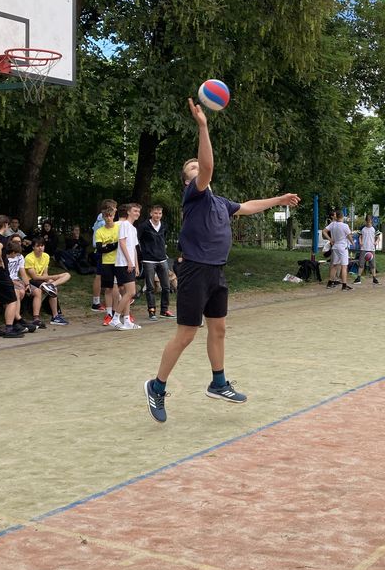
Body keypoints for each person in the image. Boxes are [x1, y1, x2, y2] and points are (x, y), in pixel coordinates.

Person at [143, 97, 300, 423]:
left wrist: (279, 200)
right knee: (186, 334)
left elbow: (249, 206)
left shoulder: (220, 202)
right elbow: (208, 167)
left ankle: (218, 383)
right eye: (192, 169)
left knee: (219, 329)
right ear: (187, 181)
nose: (198, 169)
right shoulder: (194, 195)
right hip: (195, 270)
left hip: (216, 272)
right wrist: (203, 126)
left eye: (197, 166)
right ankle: (156, 386)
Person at [24, 236, 71, 325]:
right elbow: (34, 277)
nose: (40, 248)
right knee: (47, 290)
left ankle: (55, 316)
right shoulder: (29, 258)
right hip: (31, 281)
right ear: (33, 247)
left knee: (67, 275)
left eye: (42, 246)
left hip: (41, 280)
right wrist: (54, 277)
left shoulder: (46, 256)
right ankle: (41, 317)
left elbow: (45, 274)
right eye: (38, 246)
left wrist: (49, 280)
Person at [139, 204, 174, 320]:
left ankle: (164, 310)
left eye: (159, 213)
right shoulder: (144, 226)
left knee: (166, 286)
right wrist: (142, 254)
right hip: (149, 260)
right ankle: (151, 311)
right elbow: (137, 240)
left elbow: (164, 238)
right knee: (150, 287)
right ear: (151, 213)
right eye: (155, 213)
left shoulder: (164, 225)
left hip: (162, 259)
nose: (157, 215)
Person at [112, 203, 142, 330]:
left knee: (126, 293)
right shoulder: (124, 225)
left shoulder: (133, 229)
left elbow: (134, 248)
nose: (137, 213)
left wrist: (136, 265)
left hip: (130, 264)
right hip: (123, 263)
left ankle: (127, 320)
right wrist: (129, 261)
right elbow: (122, 243)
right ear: (128, 212)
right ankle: (115, 318)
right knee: (131, 292)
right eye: (135, 211)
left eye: (138, 211)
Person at [93, 204, 120, 325]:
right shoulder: (100, 231)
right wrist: (113, 245)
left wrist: (108, 246)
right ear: (103, 217)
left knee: (118, 288)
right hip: (106, 262)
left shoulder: (119, 228)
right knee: (108, 288)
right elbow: (99, 249)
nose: (108, 218)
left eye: (110, 215)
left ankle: (116, 312)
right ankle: (109, 314)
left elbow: (121, 244)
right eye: (106, 216)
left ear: (114, 216)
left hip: (118, 262)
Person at [323, 210, 353, 290]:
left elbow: (324, 231)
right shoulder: (345, 226)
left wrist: (330, 239)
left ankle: (330, 283)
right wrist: (352, 242)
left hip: (335, 247)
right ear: (342, 216)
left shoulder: (333, 224)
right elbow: (349, 236)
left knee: (334, 265)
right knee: (344, 266)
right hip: (343, 247)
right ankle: (344, 285)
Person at [354, 214, 380, 285]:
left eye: (370, 221)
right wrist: (360, 242)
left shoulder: (375, 228)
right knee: (361, 264)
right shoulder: (362, 228)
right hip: (363, 248)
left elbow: (378, 238)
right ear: (365, 221)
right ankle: (358, 278)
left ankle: (374, 278)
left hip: (371, 249)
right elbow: (360, 237)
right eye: (367, 221)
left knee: (373, 265)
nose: (368, 222)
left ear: (372, 221)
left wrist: (376, 242)